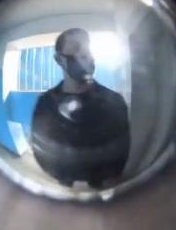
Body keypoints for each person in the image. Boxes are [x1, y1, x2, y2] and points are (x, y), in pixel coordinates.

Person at [30, 28, 130, 188]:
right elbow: (41, 150)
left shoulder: (114, 101)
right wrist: (62, 176)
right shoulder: (46, 103)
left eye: (88, 48)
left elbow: (121, 152)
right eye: (76, 48)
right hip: (63, 184)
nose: (86, 54)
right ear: (59, 59)